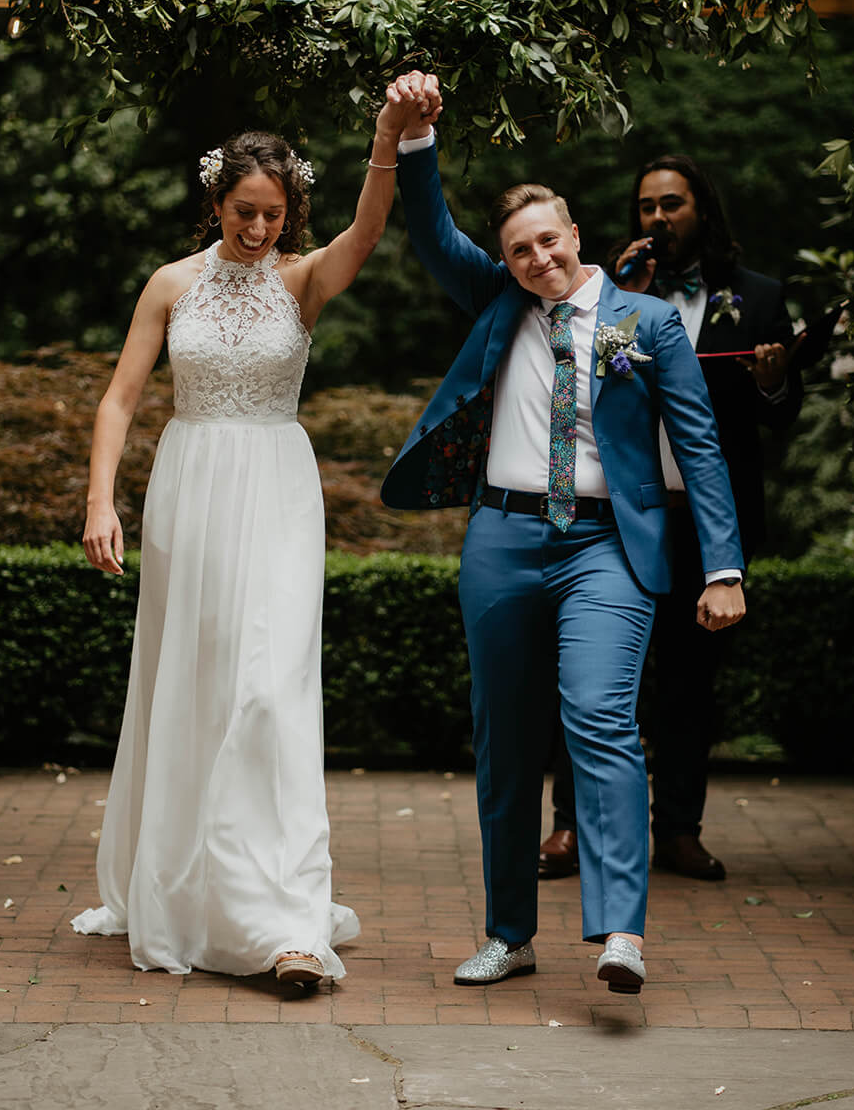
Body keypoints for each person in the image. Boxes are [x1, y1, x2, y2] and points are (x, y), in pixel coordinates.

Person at [380, 74, 745, 994]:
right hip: (501, 541)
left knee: (600, 717)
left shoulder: (647, 324)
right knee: (505, 741)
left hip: (605, 547)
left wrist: (723, 566)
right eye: (518, 249)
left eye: (548, 239)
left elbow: (697, 449)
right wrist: (415, 138)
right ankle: (508, 934)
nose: (537, 258)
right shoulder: (497, 300)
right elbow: (429, 231)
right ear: (504, 262)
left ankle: (621, 929)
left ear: (575, 234)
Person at [74, 80, 429, 986]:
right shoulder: (170, 284)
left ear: (290, 211)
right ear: (217, 201)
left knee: (269, 688)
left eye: (274, 214)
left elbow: (368, 231)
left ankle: (282, 919)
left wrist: (387, 134)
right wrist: (100, 500)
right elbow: (120, 398)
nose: (258, 230)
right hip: (190, 487)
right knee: (194, 683)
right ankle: (192, 889)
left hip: (276, 488)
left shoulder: (304, 279)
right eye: (244, 211)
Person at [541, 154, 802, 884]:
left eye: (673, 204)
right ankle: (568, 825)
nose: (658, 217)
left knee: (691, 682)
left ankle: (678, 830)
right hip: (621, 512)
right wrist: (621, 295)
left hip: (705, 519)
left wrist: (774, 383)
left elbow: (781, 421)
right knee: (592, 670)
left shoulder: (756, 298)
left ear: (702, 211)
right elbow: (587, 390)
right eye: (647, 205)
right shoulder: (614, 298)